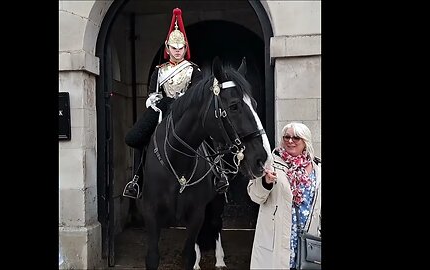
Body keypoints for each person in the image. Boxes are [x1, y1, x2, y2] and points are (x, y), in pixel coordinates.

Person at [122, 8, 230, 199]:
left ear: (185, 48)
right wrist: (157, 102)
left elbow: (197, 94)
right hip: (163, 109)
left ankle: (219, 174)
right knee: (138, 138)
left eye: (181, 48)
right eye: (174, 48)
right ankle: (137, 180)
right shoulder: (159, 71)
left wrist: (183, 104)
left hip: (187, 110)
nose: (178, 51)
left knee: (208, 134)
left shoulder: (193, 70)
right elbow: (153, 93)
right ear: (167, 48)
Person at [247, 122, 321, 269]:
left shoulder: (317, 168)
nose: (290, 141)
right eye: (287, 137)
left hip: (307, 236)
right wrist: (266, 182)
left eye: (296, 138)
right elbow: (255, 196)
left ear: (305, 141)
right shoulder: (270, 163)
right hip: (279, 236)